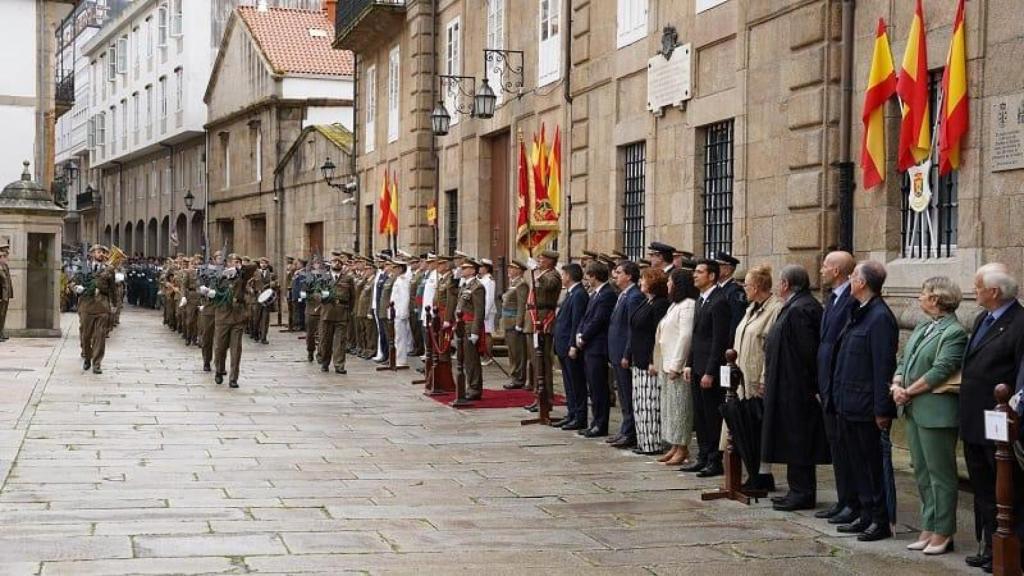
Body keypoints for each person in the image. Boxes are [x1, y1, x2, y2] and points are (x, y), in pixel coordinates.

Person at [891, 276, 967, 556]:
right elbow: (904, 358)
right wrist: (897, 382)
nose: (919, 298)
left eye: (922, 294)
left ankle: (944, 530)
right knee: (921, 472)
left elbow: (940, 370)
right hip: (913, 409)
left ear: (936, 299)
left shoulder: (954, 332)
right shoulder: (924, 326)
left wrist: (907, 391)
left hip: (936, 413)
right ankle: (929, 524)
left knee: (941, 475)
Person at [961, 263, 1024, 571]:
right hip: (975, 419)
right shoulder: (982, 318)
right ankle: (988, 546)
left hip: (1000, 423)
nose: (974, 292)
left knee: (1006, 489)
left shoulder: (1019, 323)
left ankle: (1010, 548)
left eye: (977, 287)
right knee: (983, 488)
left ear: (994, 292)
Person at [830, 260, 898, 542]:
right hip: (848, 402)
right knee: (856, 462)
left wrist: (882, 409)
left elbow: (883, 366)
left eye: (855, 276)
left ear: (863, 283)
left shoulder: (880, 317)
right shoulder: (858, 312)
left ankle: (879, 519)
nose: (851, 280)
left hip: (866, 406)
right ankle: (865, 513)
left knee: (871, 465)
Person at [761, 264, 828, 510]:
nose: (778, 286)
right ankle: (796, 488)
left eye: (780, 282)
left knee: (798, 440)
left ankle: (802, 491)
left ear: (787, 284)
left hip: (797, 387)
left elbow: (807, 352)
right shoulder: (795, 305)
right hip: (787, 384)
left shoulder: (802, 309)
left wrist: (808, 386)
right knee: (791, 439)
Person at [815, 251, 861, 525]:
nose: (820, 270)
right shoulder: (832, 298)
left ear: (836, 271)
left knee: (846, 446)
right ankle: (844, 499)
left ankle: (852, 502)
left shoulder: (850, 300)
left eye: (825, 266)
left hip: (839, 383)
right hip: (827, 383)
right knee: (836, 445)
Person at [730, 264, 782, 491]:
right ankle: (752, 470)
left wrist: (763, 378)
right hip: (741, 375)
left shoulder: (775, 309)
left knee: (759, 425)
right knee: (744, 425)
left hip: (756, 375)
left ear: (759, 286)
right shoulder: (751, 308)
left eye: (748, 285)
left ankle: (763, 473)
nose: (745, 289)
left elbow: (770, 347)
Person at [682, 259, 731, 477]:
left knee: (711, 416)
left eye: (700, 272)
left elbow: (719, 341)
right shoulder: (701, 300)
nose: (695, 275)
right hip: (698, 366)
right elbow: (697, 337)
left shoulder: (719, 301)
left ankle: (714, 459)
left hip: (710, 368)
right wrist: (690, 364)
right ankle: (702, 455)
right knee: (700, 416)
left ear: (712, 276)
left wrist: (711, 371)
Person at [624, 267, 671, 455]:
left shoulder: (660, 304)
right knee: (640, 403)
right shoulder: (647, 301)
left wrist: (654, 360)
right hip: (638, 358)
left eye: (644, 279)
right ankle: (644, 441)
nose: (640, 282)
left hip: (649, 360)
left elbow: (657, 335)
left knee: (650, 404)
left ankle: (652, 443)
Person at [654, 268, 696, 466]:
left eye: (671, 281)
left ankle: (682, 447)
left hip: (676, 365)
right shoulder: (674, 305)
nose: (668, 285)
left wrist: (677, 364)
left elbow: (685, 336)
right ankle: (674, 445)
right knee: (670, 407)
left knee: (680, 408)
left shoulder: (688, 305)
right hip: (666, 363)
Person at [576, 261, 616, 437]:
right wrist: (579, 333)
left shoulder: (607, 294)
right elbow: (586, 318)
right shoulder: (595, 294)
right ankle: (595, 421)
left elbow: (599, 320)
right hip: (589, 346)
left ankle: (601, 424)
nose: (586, 279)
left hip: (598, 346)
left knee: (599, 387)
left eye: (588, 276)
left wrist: (584, 336)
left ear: (594, 276)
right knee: (593, 386)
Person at [607, 260, 645, 449]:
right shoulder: (623, 295)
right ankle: (625, 428)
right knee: (622, 393)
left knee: (628, 394)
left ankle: (630, 432)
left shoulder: (634, 296)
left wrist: (626, 354)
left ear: (629, 276)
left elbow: (632, 328)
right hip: (615, 351)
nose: (616, 275)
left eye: (619, 272)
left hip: (624, 352)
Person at [524, 250, 562, 412]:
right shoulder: (540, 273)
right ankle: (538, 395)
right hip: (532, 319)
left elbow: (548, 285)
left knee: (543, 361)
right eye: (539, 258)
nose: (540, 261)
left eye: (543, 258)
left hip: (543, 319)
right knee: (534, 360)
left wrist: (537, 272)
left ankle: (546, 398)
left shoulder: (553, 275)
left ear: (551, 261)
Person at [552, 262, 588, 429]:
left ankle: (579, 417)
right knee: (568, 382)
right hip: (563, 345)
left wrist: (573, 344)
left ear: (570, 276)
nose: (562, 277)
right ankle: (572, 413)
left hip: (569, 346)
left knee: (576, 383)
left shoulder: (579, 294)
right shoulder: (571, 293)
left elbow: (576, 322)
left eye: (564, 274)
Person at [212, 254, 256, 388]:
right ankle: (219, 370)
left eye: (238, 262)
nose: (235, 264)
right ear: (227, 263)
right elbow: (213, 290)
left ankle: (233, 378)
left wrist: (239, 268)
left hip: (237, 317)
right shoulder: (219, 276)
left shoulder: (242, 275)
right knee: (220, 348)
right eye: (233, 262)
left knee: (236, 349)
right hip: (223, 316)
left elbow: (253, 266)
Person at [74, 245, 115, 374]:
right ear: (91, 254)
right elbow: (73, 281)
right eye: (98, 252)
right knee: (86, 336)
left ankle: (97, 363)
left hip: (102, 306)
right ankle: (87, 356)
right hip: (86, 306)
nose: (101, 254)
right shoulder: (84, 268)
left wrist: (113, 305)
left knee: (100, 336)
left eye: (102, 252)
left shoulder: (109, 269)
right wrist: (76, 288)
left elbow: (112, 288)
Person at [318, 254, 356, 374]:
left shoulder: (348, 278)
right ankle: (324, 362)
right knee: (325, 340)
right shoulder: (323, 278)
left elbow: (353, 297)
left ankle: (339, 365)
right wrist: (322, 297)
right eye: (334, 262)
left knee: (340, 341)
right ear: (331, 264)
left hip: (342, 312)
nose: (337, 264)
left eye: (339, 262)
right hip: (327, 312)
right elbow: (315, 293)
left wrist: (349, 311)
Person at [456, 260, 487, 399]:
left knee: (472, 359)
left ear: (473, 270)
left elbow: (479, 312)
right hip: (462, 326)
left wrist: (475, 331)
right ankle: (469, 385)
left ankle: (475, 388)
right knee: (464, 359)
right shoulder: (465, 285)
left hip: (470, 326)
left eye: (465, 268)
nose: (462, 270)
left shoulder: (477, 287)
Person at [501, 260, 529, 390]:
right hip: (508, 322)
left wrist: (519, 323)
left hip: (514, 322)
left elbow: (522, 306)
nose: (509, 270)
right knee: (512, 352)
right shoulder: (513, 283)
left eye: (513, 268)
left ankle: (518, 378)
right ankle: (514, 376)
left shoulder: (521, 285)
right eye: (510, 267)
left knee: (517, 352)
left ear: (519, 271)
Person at [714, 252, 747, 341]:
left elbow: (736, 320)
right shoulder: (717, 288)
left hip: (725, 341)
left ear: (727, 270)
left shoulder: (735, 291)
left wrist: (730, 344)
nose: (714, 269)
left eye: (718, 266)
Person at [390, 259, 413, 367]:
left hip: (400, 313)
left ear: (400, 268)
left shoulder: (403, 280)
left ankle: (401, 360)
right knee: (398, 337)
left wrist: (403, 313)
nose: (393, 270)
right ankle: (398, 359)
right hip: (396, 312)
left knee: (401, 338)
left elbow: (405, 297)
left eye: (395, 268)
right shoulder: (399, 279)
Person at [0, 243, 11, 342]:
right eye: (4, 255)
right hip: (1, 295)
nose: (6, 257)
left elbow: (8, 282)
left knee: (3, 315)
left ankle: (1, 332)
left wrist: (9, 294)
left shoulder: (5, 267)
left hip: (5, 295)